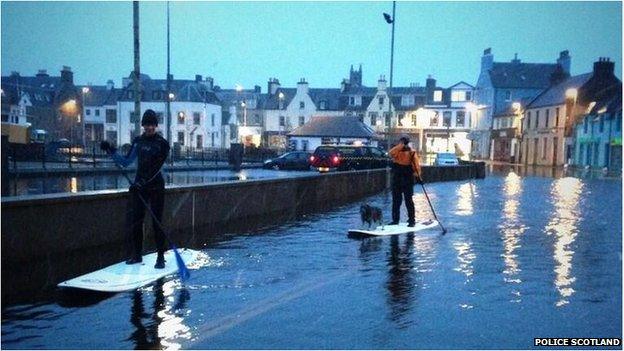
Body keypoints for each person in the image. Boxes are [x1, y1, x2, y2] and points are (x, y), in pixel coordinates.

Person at [100, 109, 171, 268]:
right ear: (143, 126)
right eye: (146, 125)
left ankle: (160, 257)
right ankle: (137, 255)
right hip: (140, 188)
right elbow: (125, 162)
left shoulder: (162, 144)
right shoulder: (138, 141)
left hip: (156, 187)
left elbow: (156, 168)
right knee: (136, 222)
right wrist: (110, 150)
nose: (149, 128)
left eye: (152, 125)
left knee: (156, 222)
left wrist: (142, 183)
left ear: (156, 126)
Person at [388, 136, 422, 227]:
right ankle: (395, 220)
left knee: (408, 200)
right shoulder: (397, 151)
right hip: (397, 178)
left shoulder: (411, 152)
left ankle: (411, 220)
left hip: (407, 178)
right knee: (396, 200)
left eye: (403, 142)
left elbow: (416, 165)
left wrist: (417, 176)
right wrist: (400, 146)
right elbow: (390, 153)